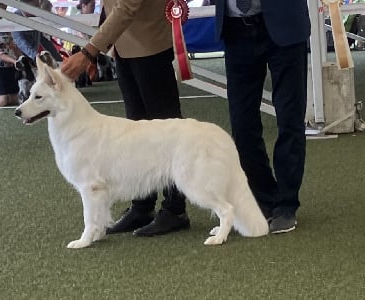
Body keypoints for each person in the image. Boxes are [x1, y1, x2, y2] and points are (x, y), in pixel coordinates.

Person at [61, 0, 190, 236]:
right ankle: (143, 204)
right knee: (136, 132)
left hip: (149, 44)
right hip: (123, 45)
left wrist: (89, 52)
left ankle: (175, 209)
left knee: (168, 130)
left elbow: (128, 6)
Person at [215, 0, 311, 233]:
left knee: (289, 118)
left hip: (285, 26)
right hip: (235, 28)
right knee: (242, 123)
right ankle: (266, 198)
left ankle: (287, 204)